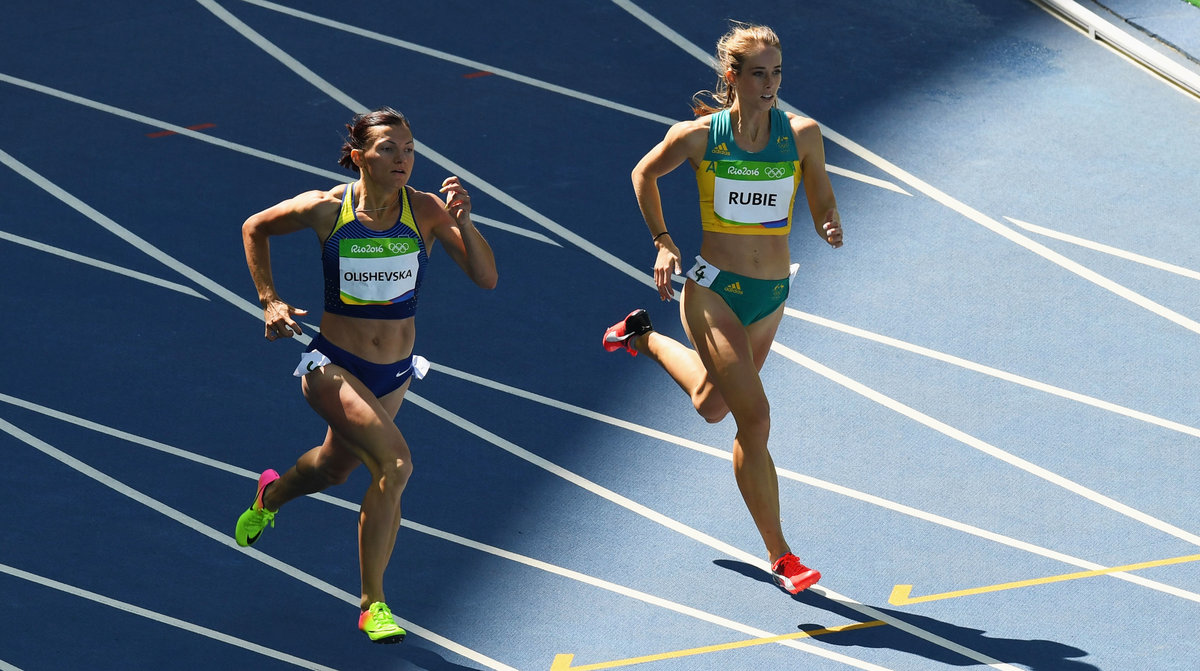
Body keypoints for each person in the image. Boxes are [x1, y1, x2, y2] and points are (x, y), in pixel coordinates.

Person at [235, 107, 497, 643]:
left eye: (409, 150)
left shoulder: (425, 210)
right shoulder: (327, 209)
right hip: (332, 365)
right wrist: (269, 300)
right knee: (395, 465)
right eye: (388, 149)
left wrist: (466, 223)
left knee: (334, 469)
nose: (403, 159)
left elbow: (485, 277)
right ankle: (372, 604)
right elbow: (254, 227)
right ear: (359, 156)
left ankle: (270, 497)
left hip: (394, 372)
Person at [603, 23, 842, 594]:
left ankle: (641, 336)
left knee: (712, 405)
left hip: (772, 294)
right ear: (732, 77)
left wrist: (827, 220)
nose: (771, 84)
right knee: (753, 418)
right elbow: (643, 173)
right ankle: (782, 556)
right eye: (758, 73)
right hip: (714, 290)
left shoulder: (802, 134)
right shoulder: (697, 138)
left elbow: (821, 194)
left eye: (776, 72)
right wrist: (663, 241)